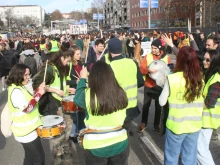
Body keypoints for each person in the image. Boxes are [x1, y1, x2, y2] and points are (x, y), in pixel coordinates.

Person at [74, 61, 129, 165]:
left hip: (96, 147)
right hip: (120, 142)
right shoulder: (121, 92)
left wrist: (82, 80)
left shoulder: (87, 94)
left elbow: (77, 99)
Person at [159, 46, 204, 165]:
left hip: (176, 126)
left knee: (171, 157)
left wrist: (164, 86)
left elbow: (161, 102)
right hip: (194, 126)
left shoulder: (172, 79)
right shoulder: (200, 79)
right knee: (190, 158)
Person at [6, 64, 46, 165]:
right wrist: (40, 93)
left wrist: (38, 90)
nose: (28, 77)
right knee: (39, 159)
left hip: (27, 130)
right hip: (26, 132)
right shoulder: (16, 91)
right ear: (18, 75)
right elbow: (27, 108)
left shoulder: (19, 87)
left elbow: (30, 97)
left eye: (29, 74)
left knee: (30, 157)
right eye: (26, 75)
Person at [138, 38, 171, 134]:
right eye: (152, 48)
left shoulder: (166, 58)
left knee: (158, 107)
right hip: (149, 85)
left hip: (160, 86)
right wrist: (148, 70)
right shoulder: (147, 57)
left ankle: (156, 125)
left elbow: (170, 70)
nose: (153, 50)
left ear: (160, 48)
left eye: (155, 48)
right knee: (146, 105)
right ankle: (143, 123)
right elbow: (142, 69)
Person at [197, 50, 220, 165]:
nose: (204, 62)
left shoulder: (216, 80)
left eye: (207, 60)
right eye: (204, 59)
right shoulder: (208, 74)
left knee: (201, 151)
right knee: (199, 149)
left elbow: (209, 102)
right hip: (204, 119)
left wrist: (192, 104)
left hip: (208, 120)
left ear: (214, 62)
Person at [66, 45, 86, 142]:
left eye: (80, 53)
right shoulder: (68, 66)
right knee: (74, 116)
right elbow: (65, 81)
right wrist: (75, 82)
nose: (79, 56)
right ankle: (73, 134)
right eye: (77, 54)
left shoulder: (81, 63)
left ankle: (81, 133)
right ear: (72, 55)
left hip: (81, 90)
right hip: (73, 92)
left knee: (82, 112)